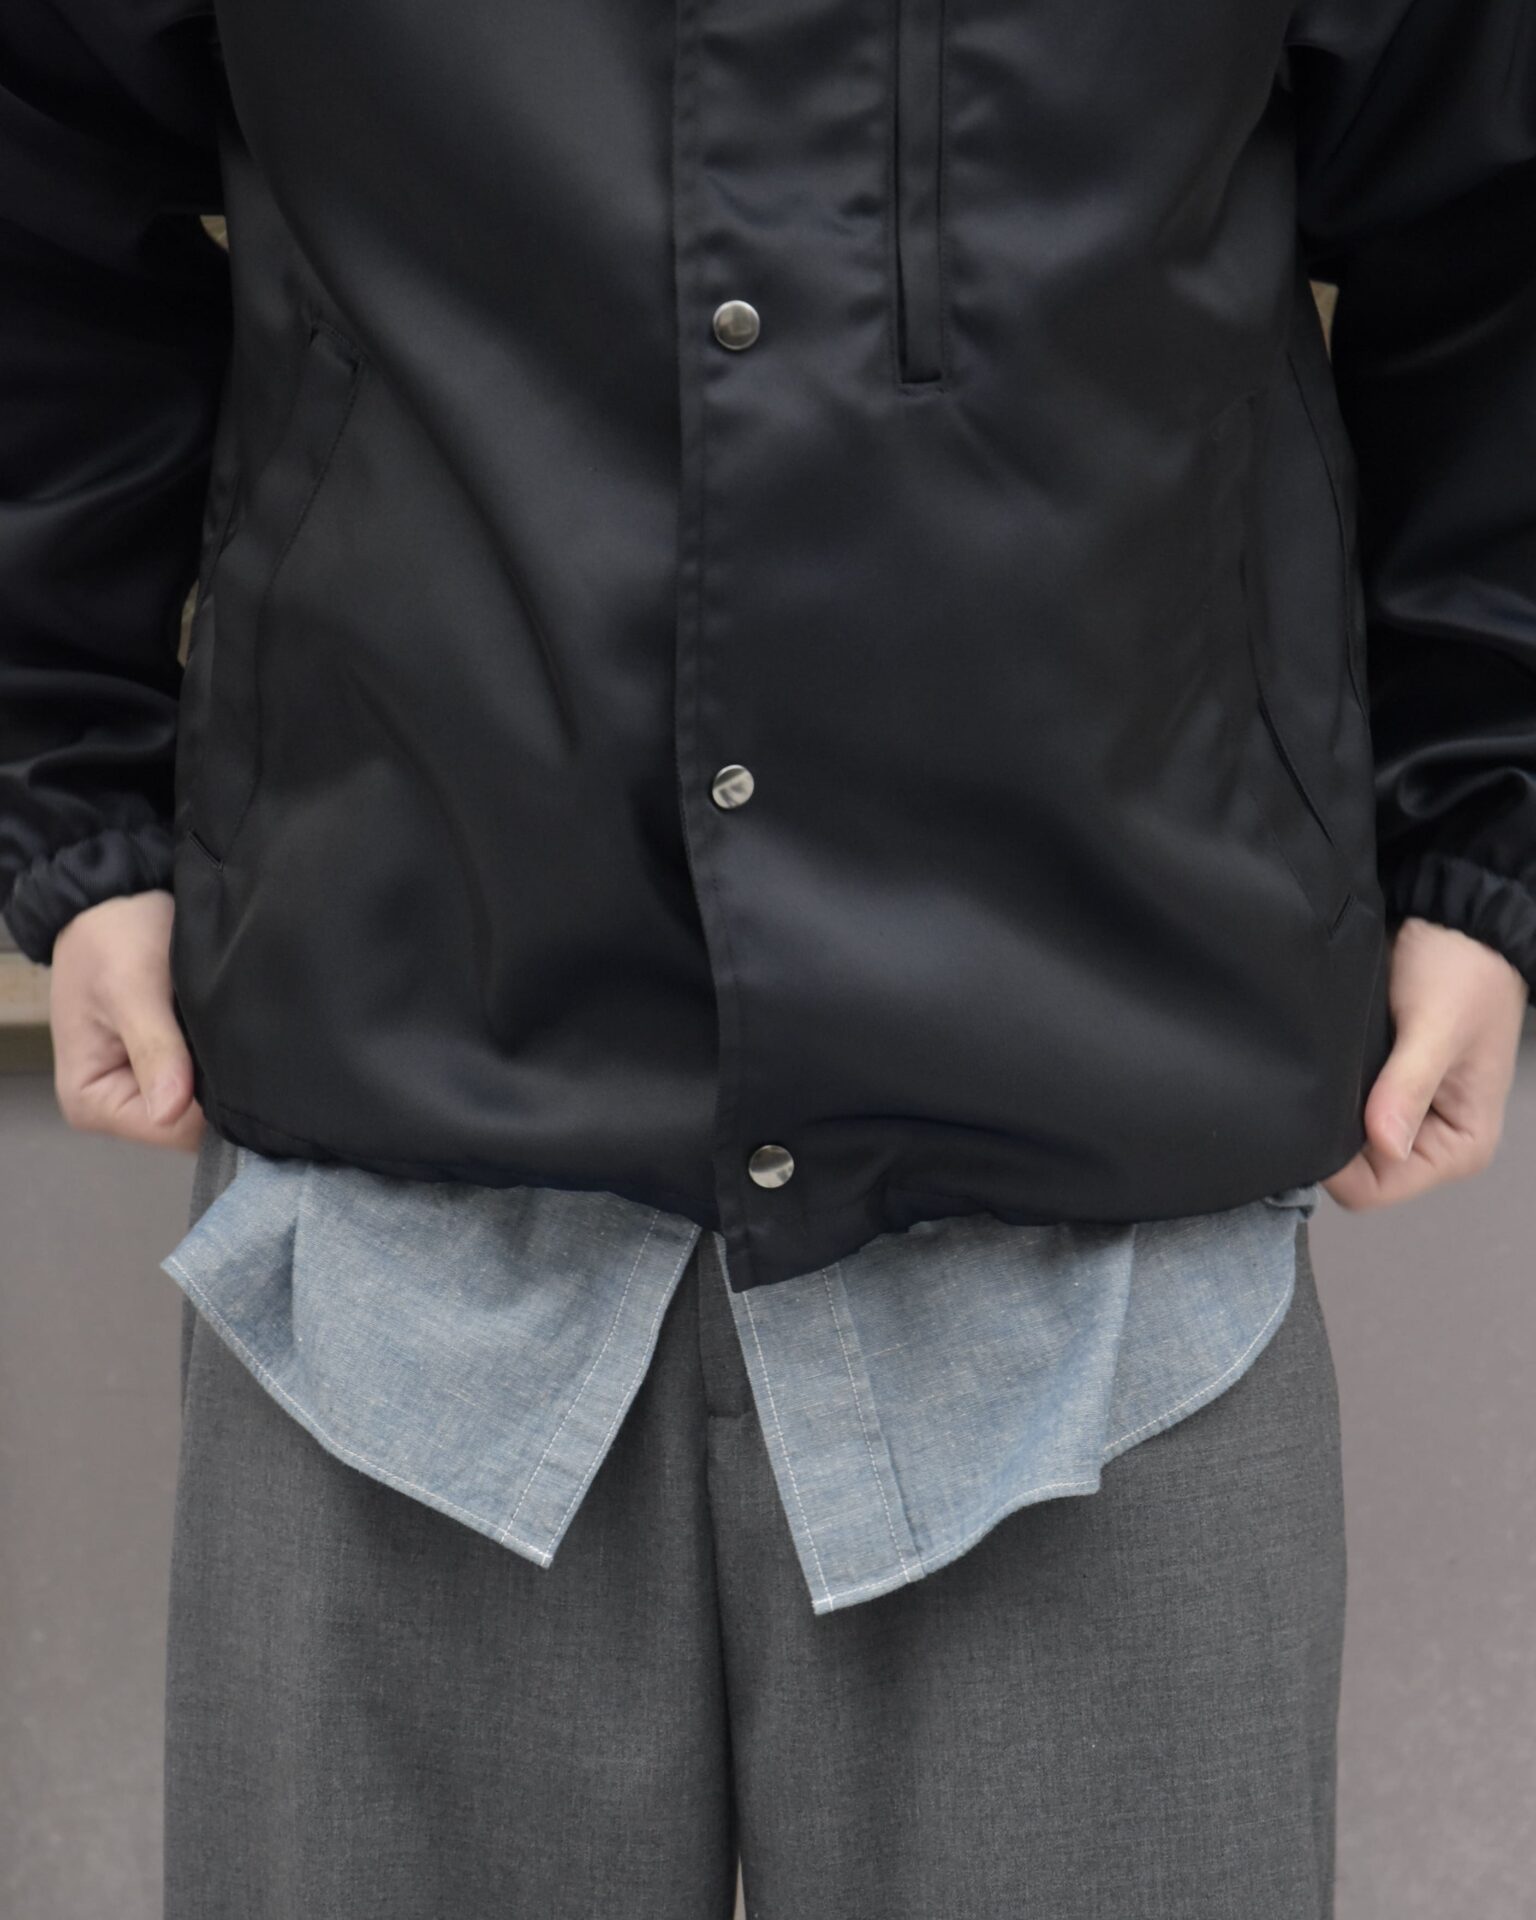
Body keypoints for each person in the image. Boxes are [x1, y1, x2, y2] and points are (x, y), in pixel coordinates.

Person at [2, 3, 1532, 1916]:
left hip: (1101, 1166)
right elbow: (41, 165)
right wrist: (75, 789)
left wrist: (1487, 816)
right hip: (409, 1159)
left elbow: (1489, 206)